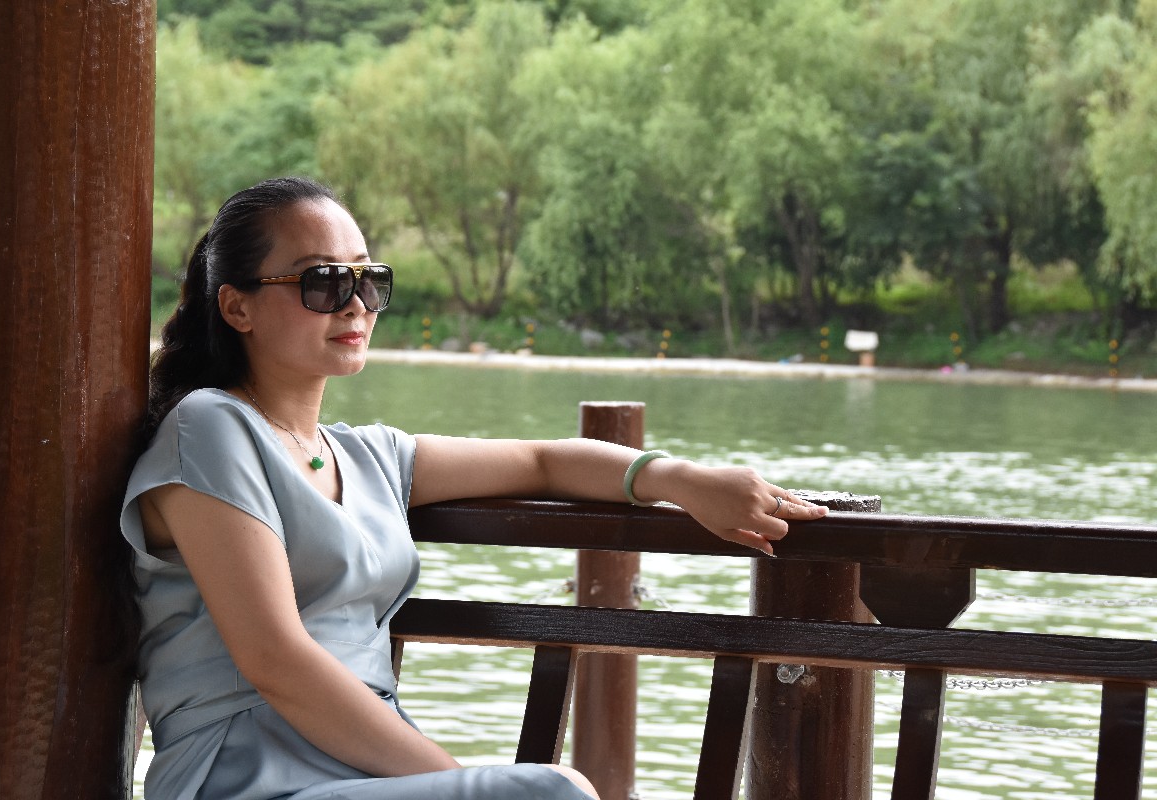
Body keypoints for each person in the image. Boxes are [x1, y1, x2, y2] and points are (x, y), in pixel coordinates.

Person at [121, 176, 827, 800]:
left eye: (369, 280)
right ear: (238, 308)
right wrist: (455, 780)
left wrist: (681, 479)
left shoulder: (369, 457)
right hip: (248, 776)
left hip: (364, 768)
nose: (356, 303)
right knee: (553, 792)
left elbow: (543, 461)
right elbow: (275, 661)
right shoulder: (209, 428)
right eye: (322, 282)